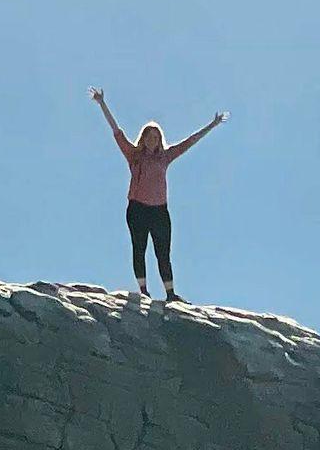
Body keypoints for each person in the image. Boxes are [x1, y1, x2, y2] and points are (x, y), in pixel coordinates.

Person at [89, 87, 227, 301]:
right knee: (139, 248)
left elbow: (189, 142)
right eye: (149, 136)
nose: (152, 140)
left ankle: (171, 294)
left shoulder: (165, 157)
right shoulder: (133, 156)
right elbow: (117, 132)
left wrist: (213, 124)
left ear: (160, 139)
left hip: (160, 210)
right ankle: (143, 291)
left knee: (163, 253)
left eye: (156, 136)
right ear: (143, 139)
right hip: (137, 209)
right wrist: (102, 103)